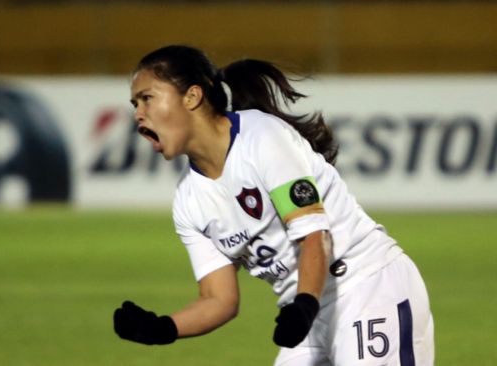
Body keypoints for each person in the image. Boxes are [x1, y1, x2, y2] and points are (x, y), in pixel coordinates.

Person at [113, 45, 434, 366]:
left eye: (147, 98)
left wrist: (304, 305)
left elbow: (314, 235)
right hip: (307, 313)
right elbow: (219, 299)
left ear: (192, 96)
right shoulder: (188, 201)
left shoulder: (262, 137)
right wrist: (161, 328)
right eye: (135, 103)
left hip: (367, 287)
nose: (138, 113)